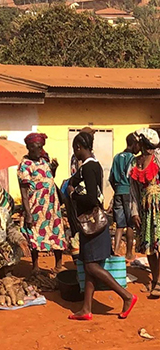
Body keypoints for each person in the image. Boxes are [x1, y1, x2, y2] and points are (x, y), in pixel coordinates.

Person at [67, 132, 136, 320]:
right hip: (95, 223)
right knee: (90, 265)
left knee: (91, 266)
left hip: (92, 224)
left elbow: (91, 198)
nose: (75, 153)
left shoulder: (88, 168)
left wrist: (73, 195)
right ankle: (86, 308)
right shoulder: (93, 166)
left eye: (76, 149)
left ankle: (127, 295)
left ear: (80, 147)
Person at [18, 133, 66, 274]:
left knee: (56, 234)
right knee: (35, 236)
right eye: (36, 148)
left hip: (51, 207)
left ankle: (58, 264)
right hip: (36, 207)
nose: (39, 150)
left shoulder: (43, 161)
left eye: (40, 147)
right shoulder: (25, 165)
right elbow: (24, 192)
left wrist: (54, 169)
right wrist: (28, 213)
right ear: (29, 147)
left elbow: (48, 178)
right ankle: (36, 266)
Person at [130, 128, 160, 297]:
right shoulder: (135, 163)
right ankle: (155, 279)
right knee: (148, 246)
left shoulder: (158, 158)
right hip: (144, 209)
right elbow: (133, 191)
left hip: (158, 208)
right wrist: (134, 212)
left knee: (159, 245)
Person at [109, 133, 140, 260]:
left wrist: (117, 189)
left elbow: (111, 177)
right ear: (133, 144)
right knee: (130, 224)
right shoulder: (132, 158)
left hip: (118, 192)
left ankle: (115, 250)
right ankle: (129, 253)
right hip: (128, 192)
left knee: (119, 225)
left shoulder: (117, 157)